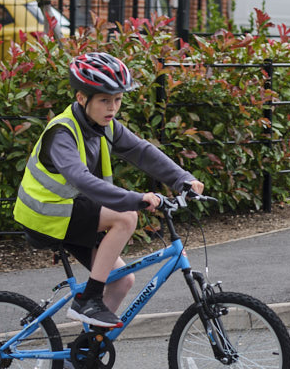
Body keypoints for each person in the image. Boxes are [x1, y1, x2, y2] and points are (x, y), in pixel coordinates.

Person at [13, 51, 204, 336]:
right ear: (81, 98)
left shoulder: (104, 127)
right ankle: (88, 299)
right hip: (45, 216)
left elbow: (141, 151)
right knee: (126, 218)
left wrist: (183, 179)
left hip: (70, 214)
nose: (112, 107)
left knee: (122, 281)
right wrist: (134, 199)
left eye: (117, 99)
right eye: (104, 100)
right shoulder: (62, 133)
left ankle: (87, 349)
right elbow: (82, 179)